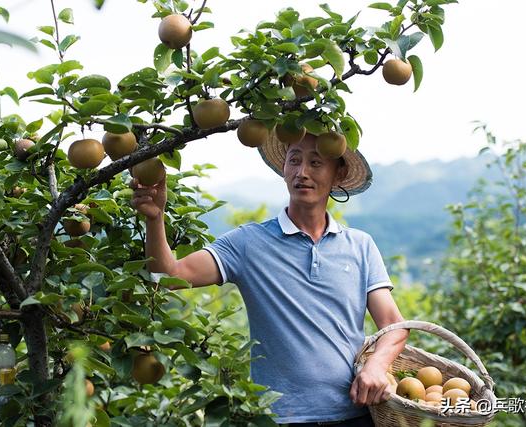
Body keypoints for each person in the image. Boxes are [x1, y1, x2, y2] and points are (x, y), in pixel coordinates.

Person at [131, 129, 409, 426]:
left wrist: (377, 365)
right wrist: (155, 217)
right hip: (279, 418)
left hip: (355, 414)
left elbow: (394, 324)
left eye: (316, 163)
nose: (302, 172)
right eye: (294, 160)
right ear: (284, 169)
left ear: (338, 174)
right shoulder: (248, 243)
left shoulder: (360, 245)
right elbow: (169, 275)